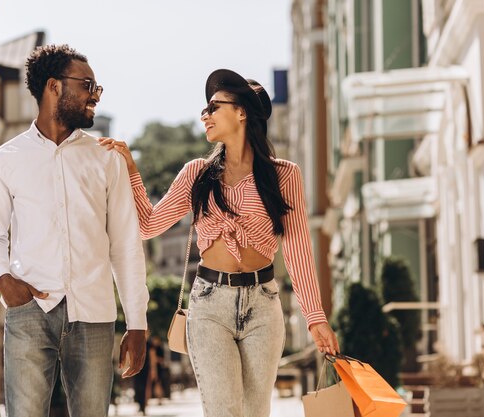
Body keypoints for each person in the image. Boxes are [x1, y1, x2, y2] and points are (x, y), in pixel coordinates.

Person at [99, 69, 339, 417]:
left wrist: (315, 318)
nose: (204, 115)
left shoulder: (284, 175)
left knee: (255, 410)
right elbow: (149, 225)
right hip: (209, 305)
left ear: (241, 111)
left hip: (264, 303)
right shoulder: (198, 173)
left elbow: (299, 248)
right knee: (224, 411)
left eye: (213, 106)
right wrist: (133, 171)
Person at [0, 44, 149, 417]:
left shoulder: (107, 158)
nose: (95, 97)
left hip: (94, 312)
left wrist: (137, 323)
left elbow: (125, 245)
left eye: (97, 89)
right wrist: (3, 280)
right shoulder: (5, 159)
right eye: (88, 85)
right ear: (54, 86)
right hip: (29, 309)